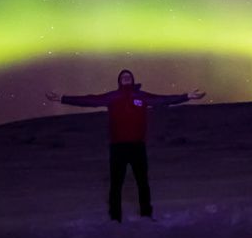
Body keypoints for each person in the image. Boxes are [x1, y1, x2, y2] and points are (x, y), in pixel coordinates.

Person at [46, 69, 205, 223]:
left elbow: (162, 100)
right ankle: (115, 218)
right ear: (119, 80)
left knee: (142, 182)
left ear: (133, 79)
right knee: (116, 184)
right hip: (118, 147)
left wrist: (187, 96)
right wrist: (62, 98)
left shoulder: (142, 96)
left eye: (129, 75)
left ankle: (146, 215)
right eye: (123, 76)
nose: (126, 77)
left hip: (137, 146)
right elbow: (90, 100)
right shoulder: (112, 96)